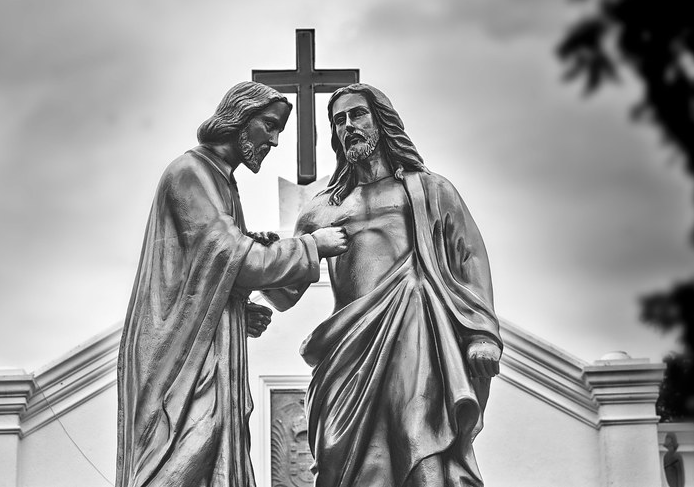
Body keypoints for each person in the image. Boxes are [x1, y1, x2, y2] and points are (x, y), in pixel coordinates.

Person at [267, 83, 501, 487]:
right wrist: (254, 262)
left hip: (417, 338)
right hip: (347, 355)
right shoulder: (321, 211)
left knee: (419, 435)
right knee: (347, 467)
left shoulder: (429, 191)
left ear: (382, 120)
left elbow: (470, 257)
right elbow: (284, 294)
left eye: (358, 114)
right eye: (339, 120)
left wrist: (483, 333)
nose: (348, 126)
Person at [116, 81, 348, 487]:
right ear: (240, 119)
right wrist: (312, 246)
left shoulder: (222, 182)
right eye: (270, 126)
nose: (274, 141)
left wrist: (238, 308)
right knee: (189, 448)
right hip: (180, 359)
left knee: (211, 451)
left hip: (206, 350)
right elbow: (231, 256)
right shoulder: (190, 172)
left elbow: (209, 270)